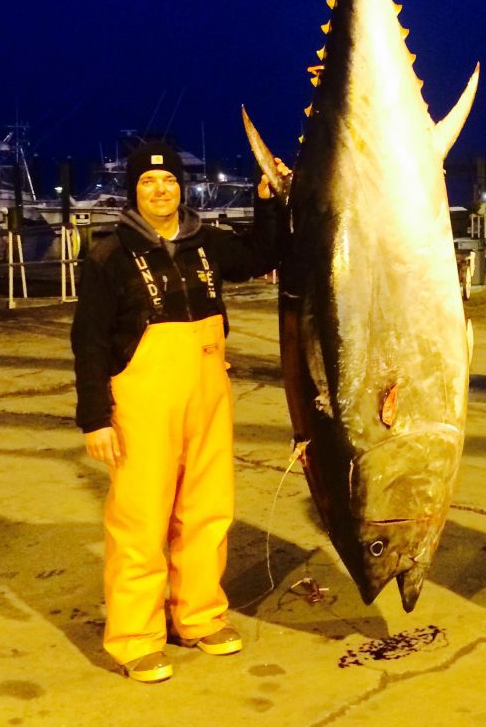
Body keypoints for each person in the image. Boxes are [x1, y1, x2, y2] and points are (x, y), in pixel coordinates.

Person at [72, 141, 288, 682]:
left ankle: (197, 615)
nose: (160, 189)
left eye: (168, 180)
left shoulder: (206, 242)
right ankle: (134, 638)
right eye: (148, 182)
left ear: (181, 188)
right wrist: (95, 417)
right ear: (134, 190)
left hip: (209, 391)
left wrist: (269, 201)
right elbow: (90, 341)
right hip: (143, 401)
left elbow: (265, 253)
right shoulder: (108, 255)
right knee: (141, 519)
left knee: (207, 508)